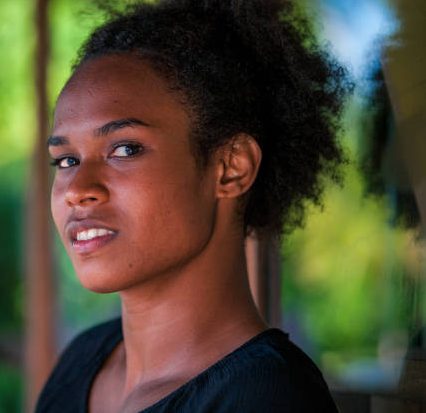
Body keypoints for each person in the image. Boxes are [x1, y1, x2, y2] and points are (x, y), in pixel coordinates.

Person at [36, 0, 348, 411]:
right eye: (66, 160)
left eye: (125, 149)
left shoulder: (269, 398)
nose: (77, 189)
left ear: (231, 168)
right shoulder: (81, 362)